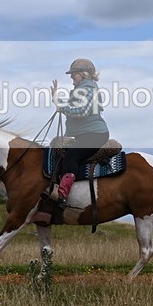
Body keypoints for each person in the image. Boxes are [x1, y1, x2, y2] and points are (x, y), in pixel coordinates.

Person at [51, 58, 110, 206]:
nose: (71, 77)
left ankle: (64, 194)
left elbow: (81, 111)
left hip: (94, 135)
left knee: (71, 156)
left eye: (74, 74)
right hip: (88, 134)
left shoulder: (89, 89)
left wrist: (61, 108)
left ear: (83, 74)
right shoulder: (82, 90)